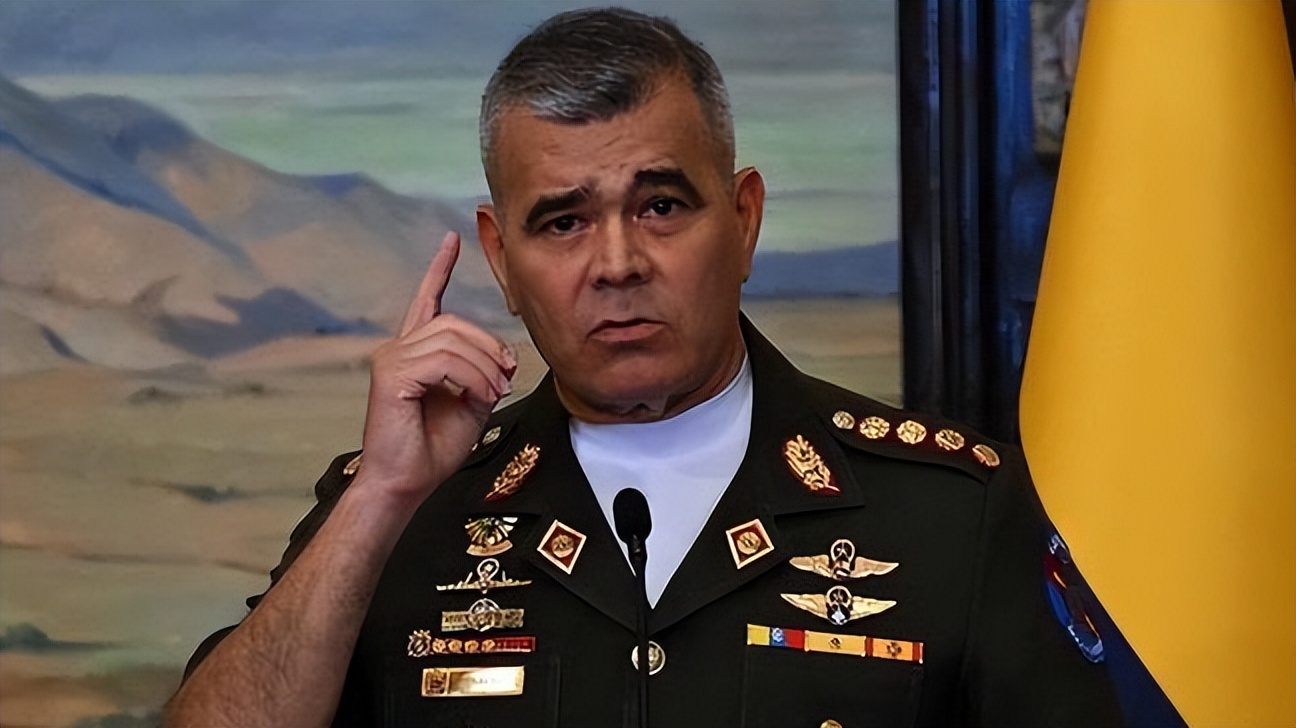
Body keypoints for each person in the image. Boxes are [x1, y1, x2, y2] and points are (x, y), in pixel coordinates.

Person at [165, 8, 1128, 727]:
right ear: (501, 261)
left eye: (661, 206)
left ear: (743, 221)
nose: (618, 263)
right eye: (564, 221)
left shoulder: (958, 514)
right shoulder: (396, 516)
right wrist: (379, 499)